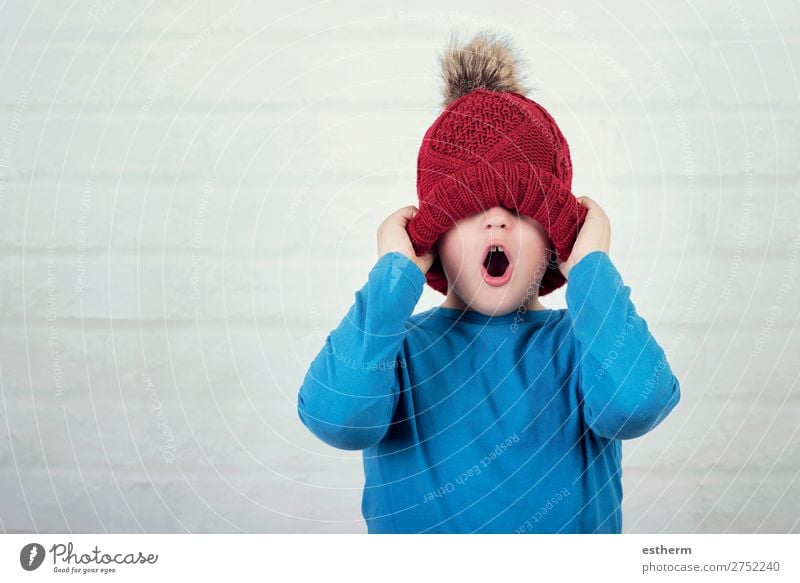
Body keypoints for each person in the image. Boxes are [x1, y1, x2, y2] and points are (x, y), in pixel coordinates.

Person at [297, 30, 680, 533]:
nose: (496, 223)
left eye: (519, 209)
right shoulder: (397, 350)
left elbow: (637, 404)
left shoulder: (583, 344)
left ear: (555, 242)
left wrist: (591, 268)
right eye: (469, 208)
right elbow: (337, 417)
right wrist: (394, 277)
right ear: (432, 238)